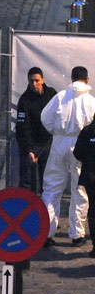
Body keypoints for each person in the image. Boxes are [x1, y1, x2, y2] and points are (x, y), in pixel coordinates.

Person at [41, 66, 95, 247]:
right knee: (79, 190)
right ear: (87, 80)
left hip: (59, 144)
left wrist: (56, 132)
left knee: (51, 188)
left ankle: (46, 233)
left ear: (72, 79)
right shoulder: (91, 101)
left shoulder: (60, 96)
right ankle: (77, 234)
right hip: (82, 146)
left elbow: (45, 117)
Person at [15, 67, 57, 193]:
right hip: (31, 145)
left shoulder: (52, 94)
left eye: (37, 80)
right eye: (31, 81)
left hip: (48, 143)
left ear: (42, 80)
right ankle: (27, 209)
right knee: (27, 182)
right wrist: (29, 150)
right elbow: (22, 128)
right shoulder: (24, 100)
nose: (34, 84)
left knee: (48, 181)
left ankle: (45, 210)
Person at [73, 114, 95, 257]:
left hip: (90, 176)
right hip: (90, 176)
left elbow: (77, 153)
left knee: (93, 210)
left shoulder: (87, 131)